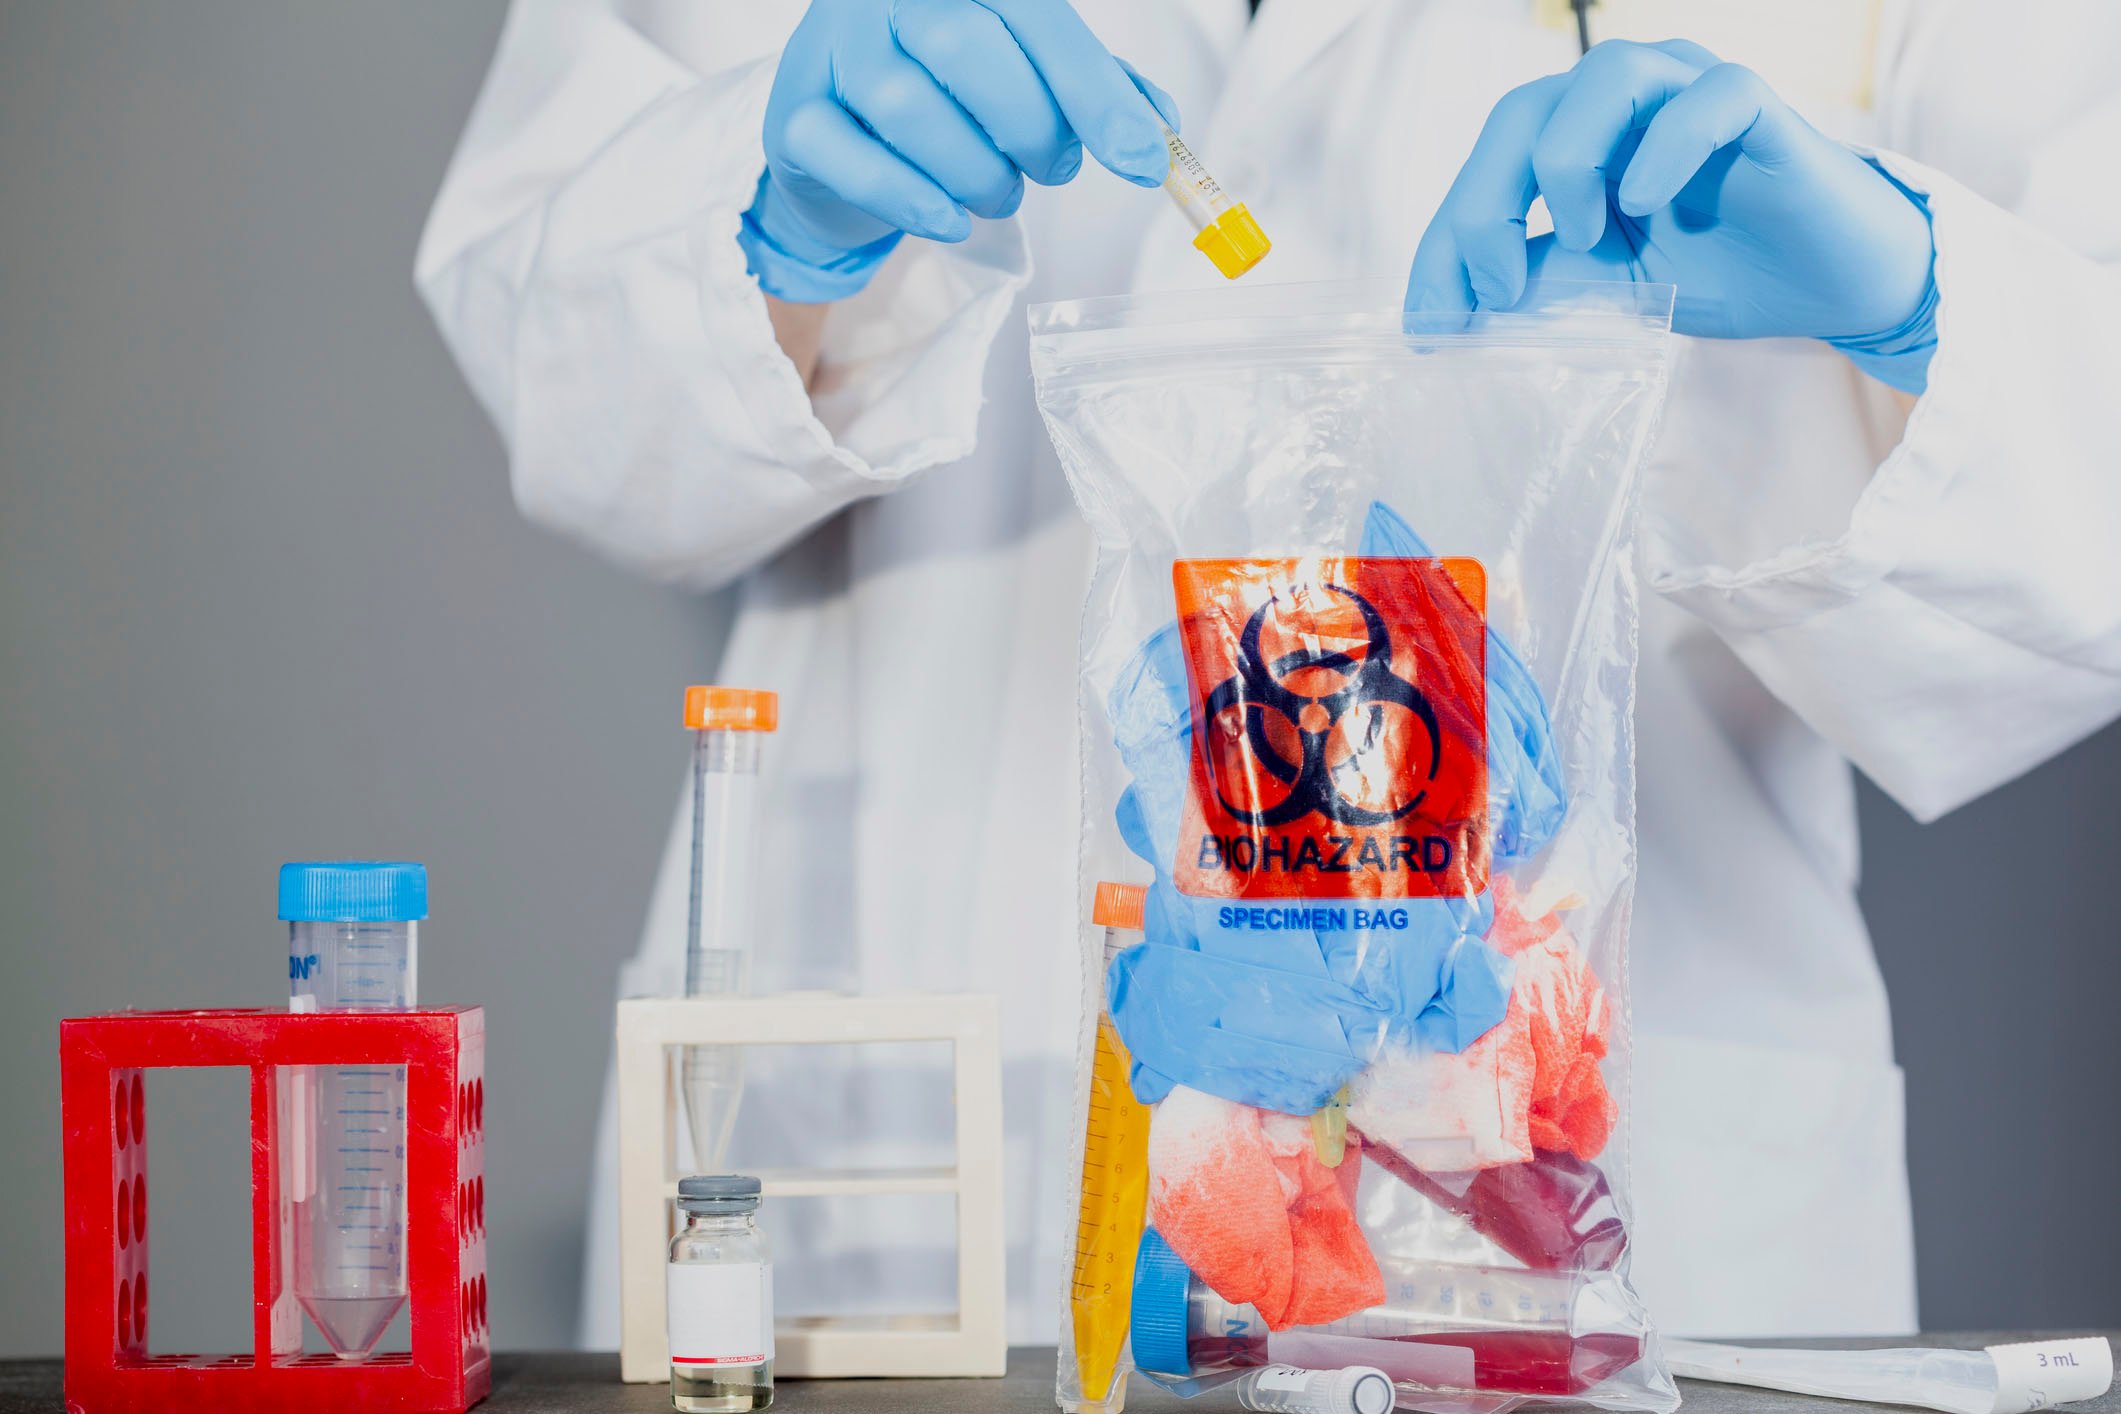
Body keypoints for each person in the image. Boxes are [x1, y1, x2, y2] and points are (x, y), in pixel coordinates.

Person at [417, 0, 2121, 1345]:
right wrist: (777, 211)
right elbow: (561, 370)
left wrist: (1911, 288)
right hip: (903, 1143)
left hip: (1583, 1151)